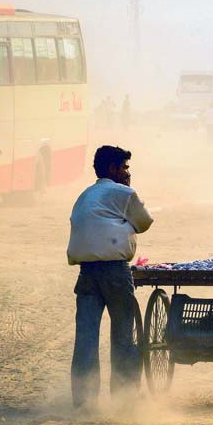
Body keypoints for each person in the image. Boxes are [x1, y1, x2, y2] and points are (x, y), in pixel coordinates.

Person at [67, 145, 154, 408]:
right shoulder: (124, 193)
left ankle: (83, 400)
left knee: (86, 336)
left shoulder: (85, 195)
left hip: (86, 271)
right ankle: (125, 397)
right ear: (113, 169)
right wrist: (125, 224)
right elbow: (145, 222)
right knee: (124, 333)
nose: (128, 173)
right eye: (125, 168)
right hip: (115, 271)